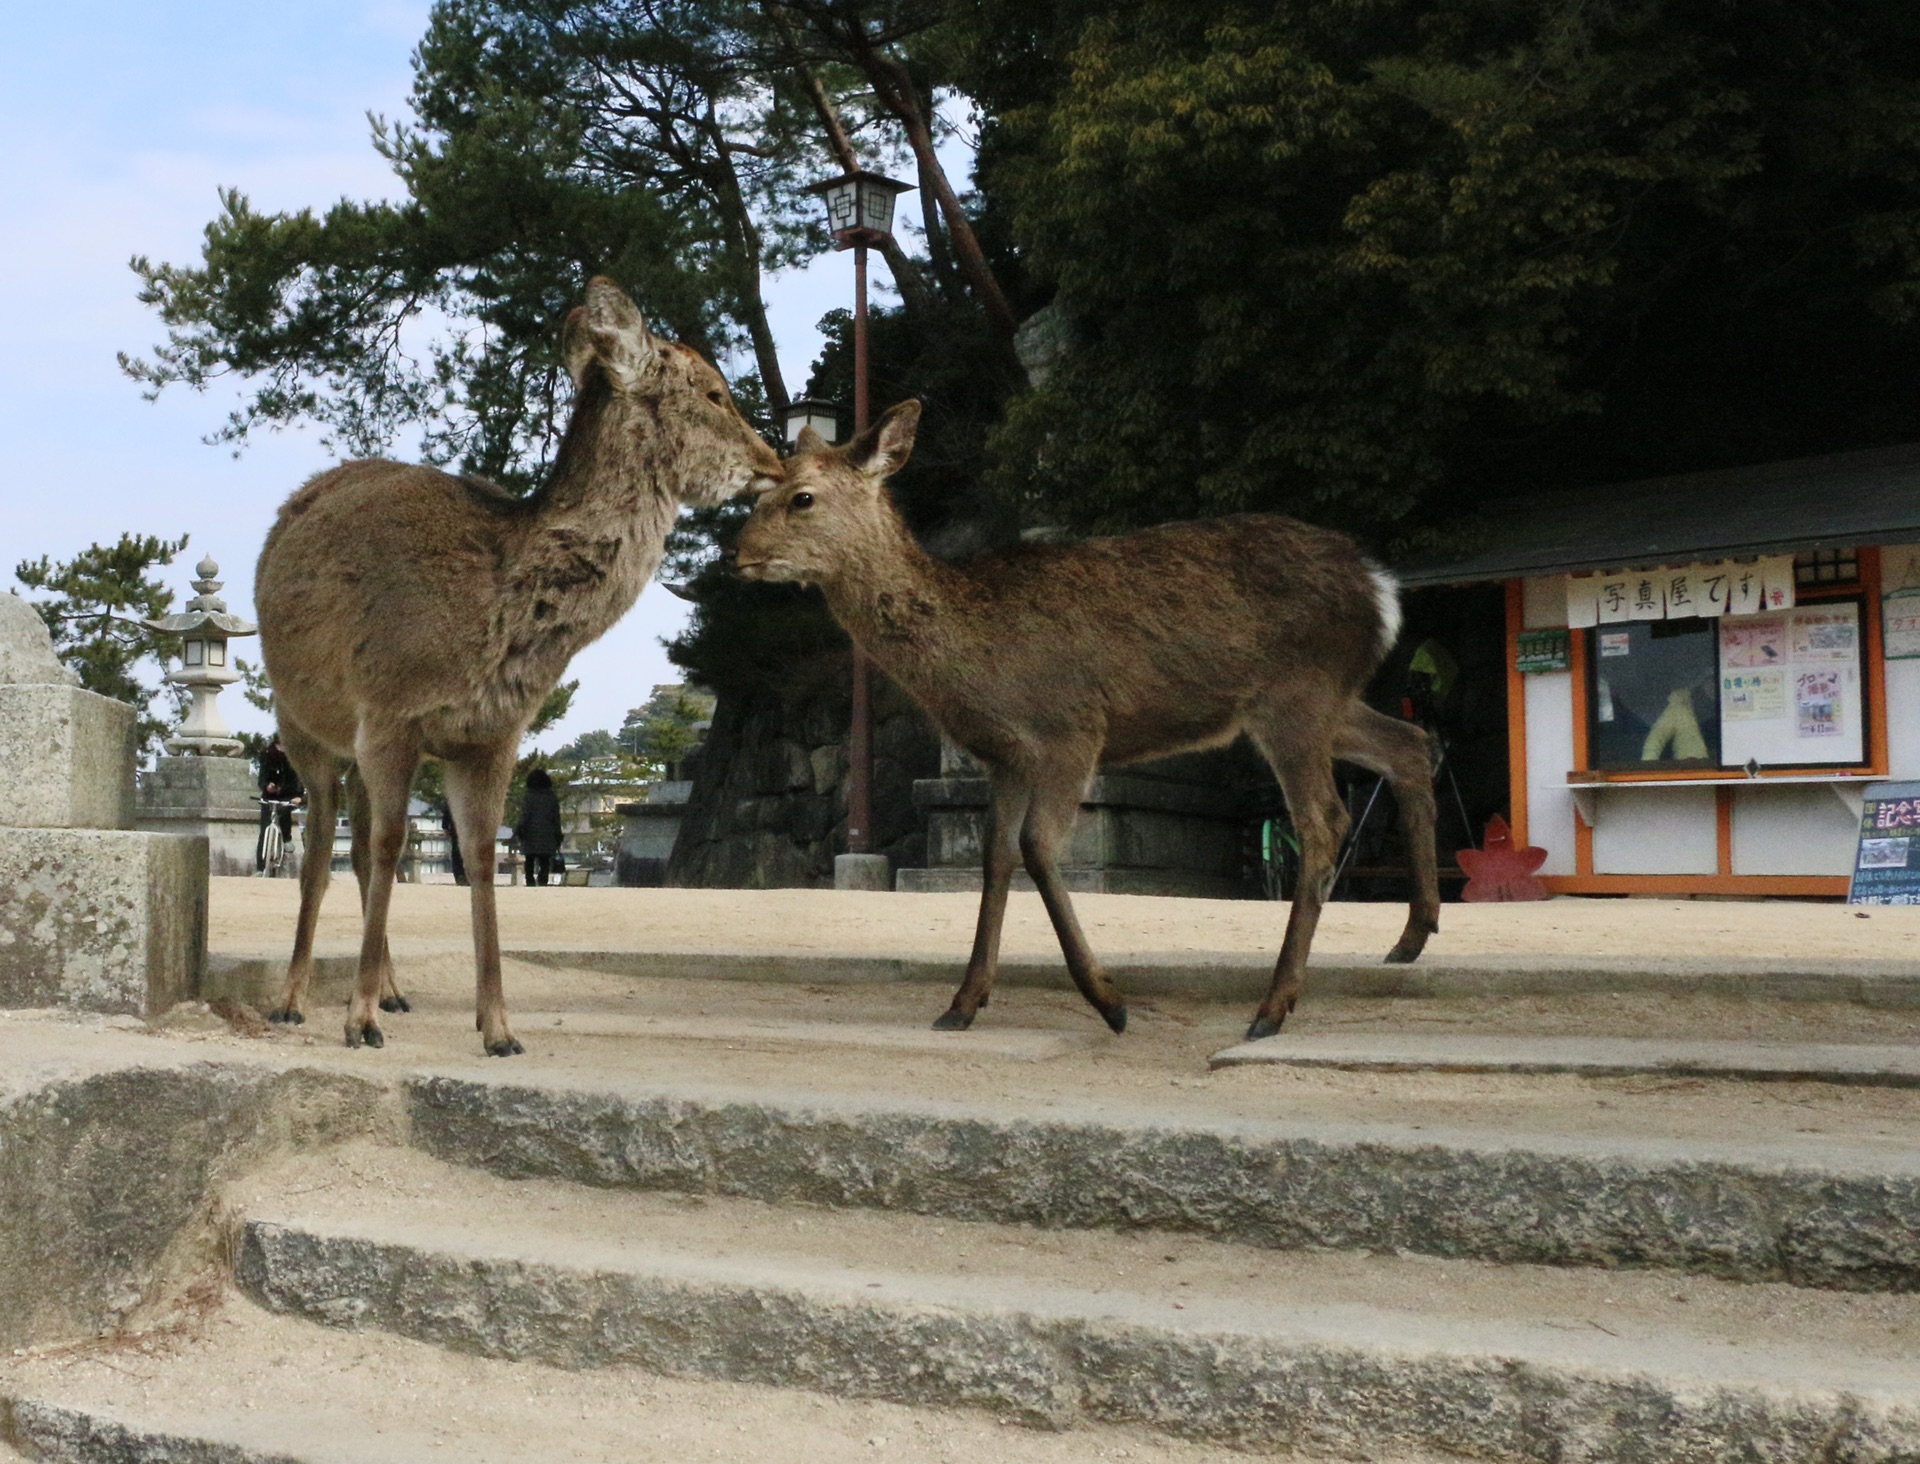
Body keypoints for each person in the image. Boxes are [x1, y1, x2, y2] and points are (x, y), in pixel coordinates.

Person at [256, 731, 304, 872]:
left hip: (288, 794)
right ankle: (260, 868)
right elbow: (262, 777)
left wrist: (299, 796)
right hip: (269, 796)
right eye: (279, 746)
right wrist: (267, 786)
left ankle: (287, 838)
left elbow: (298, 779)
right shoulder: (267, 755)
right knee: (264, 830)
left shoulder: (294, 756)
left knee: (284, 812)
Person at [514, 768, 565, 887]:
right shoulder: (552, 797)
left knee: (529, 860)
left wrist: (520, 829)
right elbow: (556, 818)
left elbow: (525, 815)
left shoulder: (529, 796)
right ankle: (543, 881)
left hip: (530, 833)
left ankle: (530, 881)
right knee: (545, 861)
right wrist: (558, 835)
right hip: (548, 833)